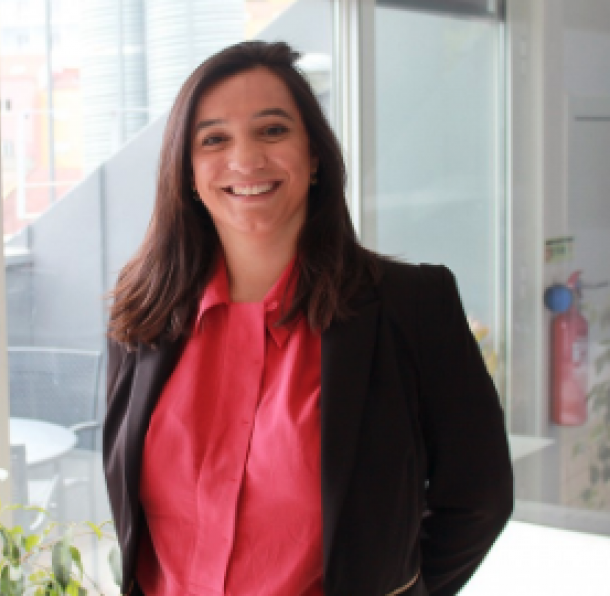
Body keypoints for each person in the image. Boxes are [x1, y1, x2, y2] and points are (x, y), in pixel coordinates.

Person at [102, 40, 512, 596]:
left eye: (272, 130)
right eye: (214, 139)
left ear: (314, 155)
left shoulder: (411, 305)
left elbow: (478, 497)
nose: (246, 159)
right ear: (187, 172)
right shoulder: (142, 313)